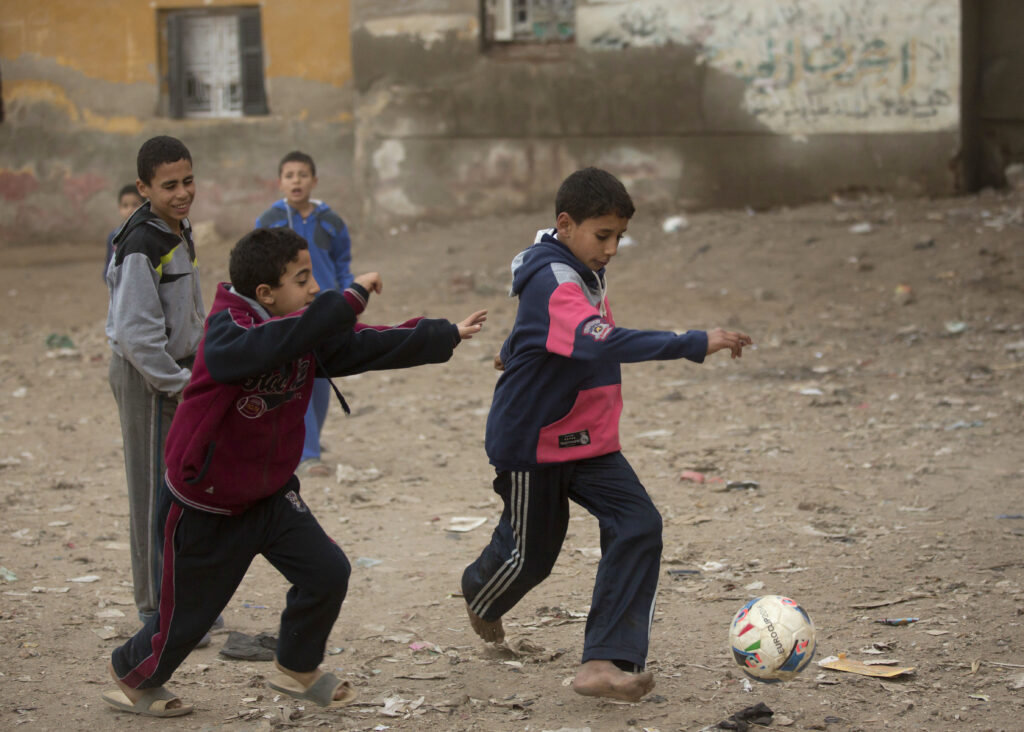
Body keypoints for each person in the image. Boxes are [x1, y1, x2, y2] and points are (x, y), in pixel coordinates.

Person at [102, 226, 487, 717]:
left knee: (327, 573)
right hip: (208, 502)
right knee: (188, 619)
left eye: (314, 279)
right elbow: (260, 347)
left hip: (269, 494)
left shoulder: (299, 328)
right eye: (302, 280)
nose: (312, 289)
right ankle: (132, 675)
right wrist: (346, 298)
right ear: (265, 293)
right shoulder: (227, 331)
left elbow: (362, 345)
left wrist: (443, 333)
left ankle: (296, 666)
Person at [461, 167, 752, 703]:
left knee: (639, 524)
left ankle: (605, 662)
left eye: (620, 236)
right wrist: (692, 341)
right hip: (535, 439)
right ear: (565, 224)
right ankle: (482, 594)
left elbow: (548, 320)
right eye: (604, 235)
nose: (613, 248)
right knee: (531, 556)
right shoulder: (553, 275)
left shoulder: (573, 264)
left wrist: (516, 344)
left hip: (588, 436)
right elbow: (596, 339)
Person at [105, 136, 208, 632]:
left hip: (180, 373)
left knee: (184, 491)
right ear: (144, 188)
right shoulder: (140, 243)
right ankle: (154, 610)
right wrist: (179, 384)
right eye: (169, 186)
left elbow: (188, 308)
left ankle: (184, 602)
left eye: (188, 181)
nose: (182, 192)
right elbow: (137, 336)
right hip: (150, 379)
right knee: (152, 495)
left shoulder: (177, 227)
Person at [255, 151, 353, 478]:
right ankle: (308, 454)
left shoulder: (331, 221)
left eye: (302, 174)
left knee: (322, 377)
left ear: (314, 180)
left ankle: (310, 442)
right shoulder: (269, 222)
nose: (296, 180)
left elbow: (342, 265)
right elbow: (257, 268)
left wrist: (348, 302)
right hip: (288, 314)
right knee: (300, 378)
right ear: (279, 182)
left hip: (324, 311)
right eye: (289, 175)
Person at [104, 184, 144, 281]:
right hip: (119, 283)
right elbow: (109, 264)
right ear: (119, 208)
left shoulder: (147, 234)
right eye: (125, 206)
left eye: (135, 205)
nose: (130, 210)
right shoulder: (114, 236)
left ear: (144, 206)